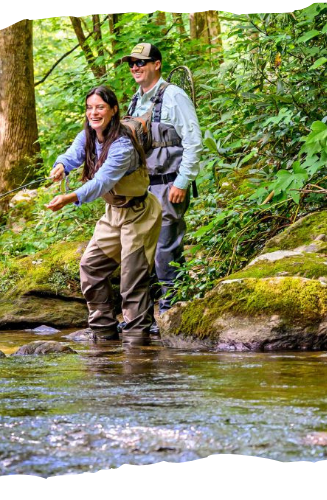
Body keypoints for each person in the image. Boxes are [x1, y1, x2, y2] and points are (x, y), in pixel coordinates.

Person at [46, 86, 162, 346]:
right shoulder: (87, 135)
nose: (93, 112)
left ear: (113, 110)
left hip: (140, 214)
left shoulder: (122, 145)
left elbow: (101, 182)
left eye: (100, 107)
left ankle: (136, 344)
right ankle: (104, 335)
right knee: (91, 267)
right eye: (89, 107)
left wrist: (69, 198)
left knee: (132, 280)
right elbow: (73, 155)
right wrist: (61, 166)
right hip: (114, 213)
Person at [121, 42, 203, 324]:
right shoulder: (136, 100)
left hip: (169, 185)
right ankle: (143, 315)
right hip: (140, 188)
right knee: (140, 250)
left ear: (157, 64)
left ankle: (172, 311)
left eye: (141, 62)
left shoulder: (175, 96)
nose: (135, 68)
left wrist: (182, 182)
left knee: (166, 249)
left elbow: (194, 142)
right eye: (132, 63)